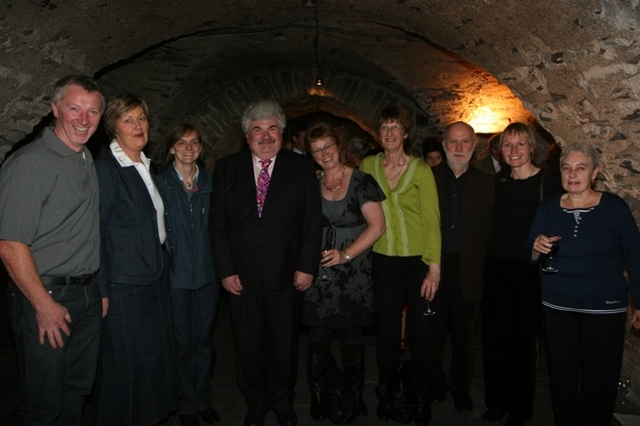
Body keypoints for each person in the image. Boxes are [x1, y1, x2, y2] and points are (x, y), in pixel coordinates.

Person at [210, 100, 322, 426]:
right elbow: (217, 225)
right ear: (246, 135)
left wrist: (307, 266)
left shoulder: (300, 168)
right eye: (257, 129)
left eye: (272, 128)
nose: (265, 135)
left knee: (285, 346)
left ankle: (283, 403)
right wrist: (225, 270)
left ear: (282, 133)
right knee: (247, 345)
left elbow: (311, 222)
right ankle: (255, 403)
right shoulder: (227, 167)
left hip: (287, 275)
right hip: (241, 278)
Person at [0, 75, 104, 425]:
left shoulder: (85, 157)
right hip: (44, 295)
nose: (83, 119)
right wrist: (43, 305)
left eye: (92, 112)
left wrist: (96, 289)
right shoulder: (30, 164)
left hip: (85, 293)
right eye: (74, 108)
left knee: (74, 392)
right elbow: (9, 244)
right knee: (42, 403)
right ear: (55, 109)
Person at [525, 142, 640, 426]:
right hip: (557, 306)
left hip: (604, 309)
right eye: (566, 168)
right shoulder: (549, 207)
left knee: (599, 379)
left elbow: (636, 256)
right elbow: (528, 252)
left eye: (580, 167)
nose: (572, 174)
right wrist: (536, 248)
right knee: (562, 377)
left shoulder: (614, 208)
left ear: (594, 173)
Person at [93, 93, 179, 425]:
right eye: (128, 119)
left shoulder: (146, 164)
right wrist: (102, 289)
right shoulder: (107, 170)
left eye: (142, 118)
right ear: (113, 127)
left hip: (154, 276)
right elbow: (98, 232)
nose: (138, 125)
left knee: (154, 361)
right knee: (126, 365)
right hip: (124, 284)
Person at [359, 105, 441, 426]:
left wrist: (434, 267)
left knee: (420, 333)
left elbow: (433, 221)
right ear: (378, 134)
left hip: (417, 262)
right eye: (384, 128)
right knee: (388, 333)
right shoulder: (368, 165)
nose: (390, 133)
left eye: (395, 127)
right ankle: (387, 389)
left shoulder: (420, 169)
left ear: (405, 133)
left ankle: (421, 396)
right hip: (382, 261)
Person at [301, 122, 385, 424]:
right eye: (317, 150)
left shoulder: (362, 181)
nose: (324, 153)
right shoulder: (310, 183)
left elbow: (378, 226)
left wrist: (345, 254)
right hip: (319, 273)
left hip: (354, 274)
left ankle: (353, 395)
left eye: (328, 147)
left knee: (352, 339)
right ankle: (319, 395)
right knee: (318, 339)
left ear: (339, 147)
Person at [482, 122, 562, 425]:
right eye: (507, 145)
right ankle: (497, 401)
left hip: (528, 269)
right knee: (495, 337)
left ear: (532, 148)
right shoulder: (499, 180)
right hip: (497, 266)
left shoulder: (548, 182)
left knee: (523, 341)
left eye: (520, 145)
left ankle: (520, 408)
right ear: (500, 151)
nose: (513, 151)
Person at [156, 124, 221, 426]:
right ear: (171, 148)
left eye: (194, 142)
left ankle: (203, 400)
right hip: (175, 278)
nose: (188, 148)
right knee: (181, 344)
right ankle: (185, 404)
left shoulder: (211, 184)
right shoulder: (160, 186)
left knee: (204, 343)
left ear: (201, 148)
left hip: (207, 277)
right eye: (181, 142)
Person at [427, 122, 494, 415]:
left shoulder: (487, 184)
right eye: (453, 142)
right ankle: (434, 384)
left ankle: (461, 388)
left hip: (469, 270)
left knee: (465, 337)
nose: (458, 148)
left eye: (464, 142)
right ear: (443, 144)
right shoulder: (426, 179)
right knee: (432, 332)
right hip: (434, 267)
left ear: (474, 146)